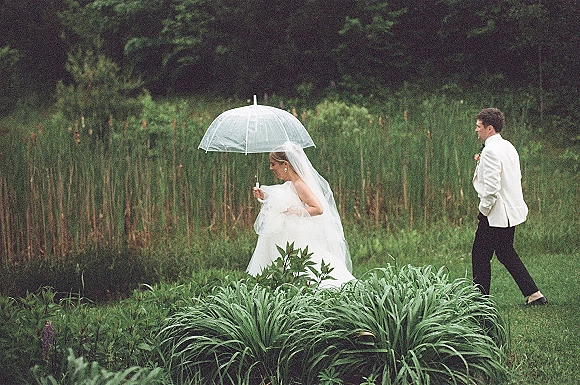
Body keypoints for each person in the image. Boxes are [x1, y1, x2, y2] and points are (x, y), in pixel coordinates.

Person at [246, 141, 355, 287]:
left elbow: (318, 208)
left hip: (296, 235)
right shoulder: (290, 184)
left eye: (273, 164)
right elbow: (284, 200)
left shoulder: (299, 184)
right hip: (284, 235)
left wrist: (296, 212)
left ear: (285, 164)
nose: (271, 168)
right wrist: (264, 196)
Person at [471, 108, 547, 305]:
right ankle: (534, 295)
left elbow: (492, 188)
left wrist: (483, 211)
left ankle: (480, 302)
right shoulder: (508, 146)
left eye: (479, 127)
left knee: (480, 254)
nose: (476, 130)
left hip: (496, 213)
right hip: (509, 212)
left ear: (489, 128)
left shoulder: (490, 151)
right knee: (505, 252)